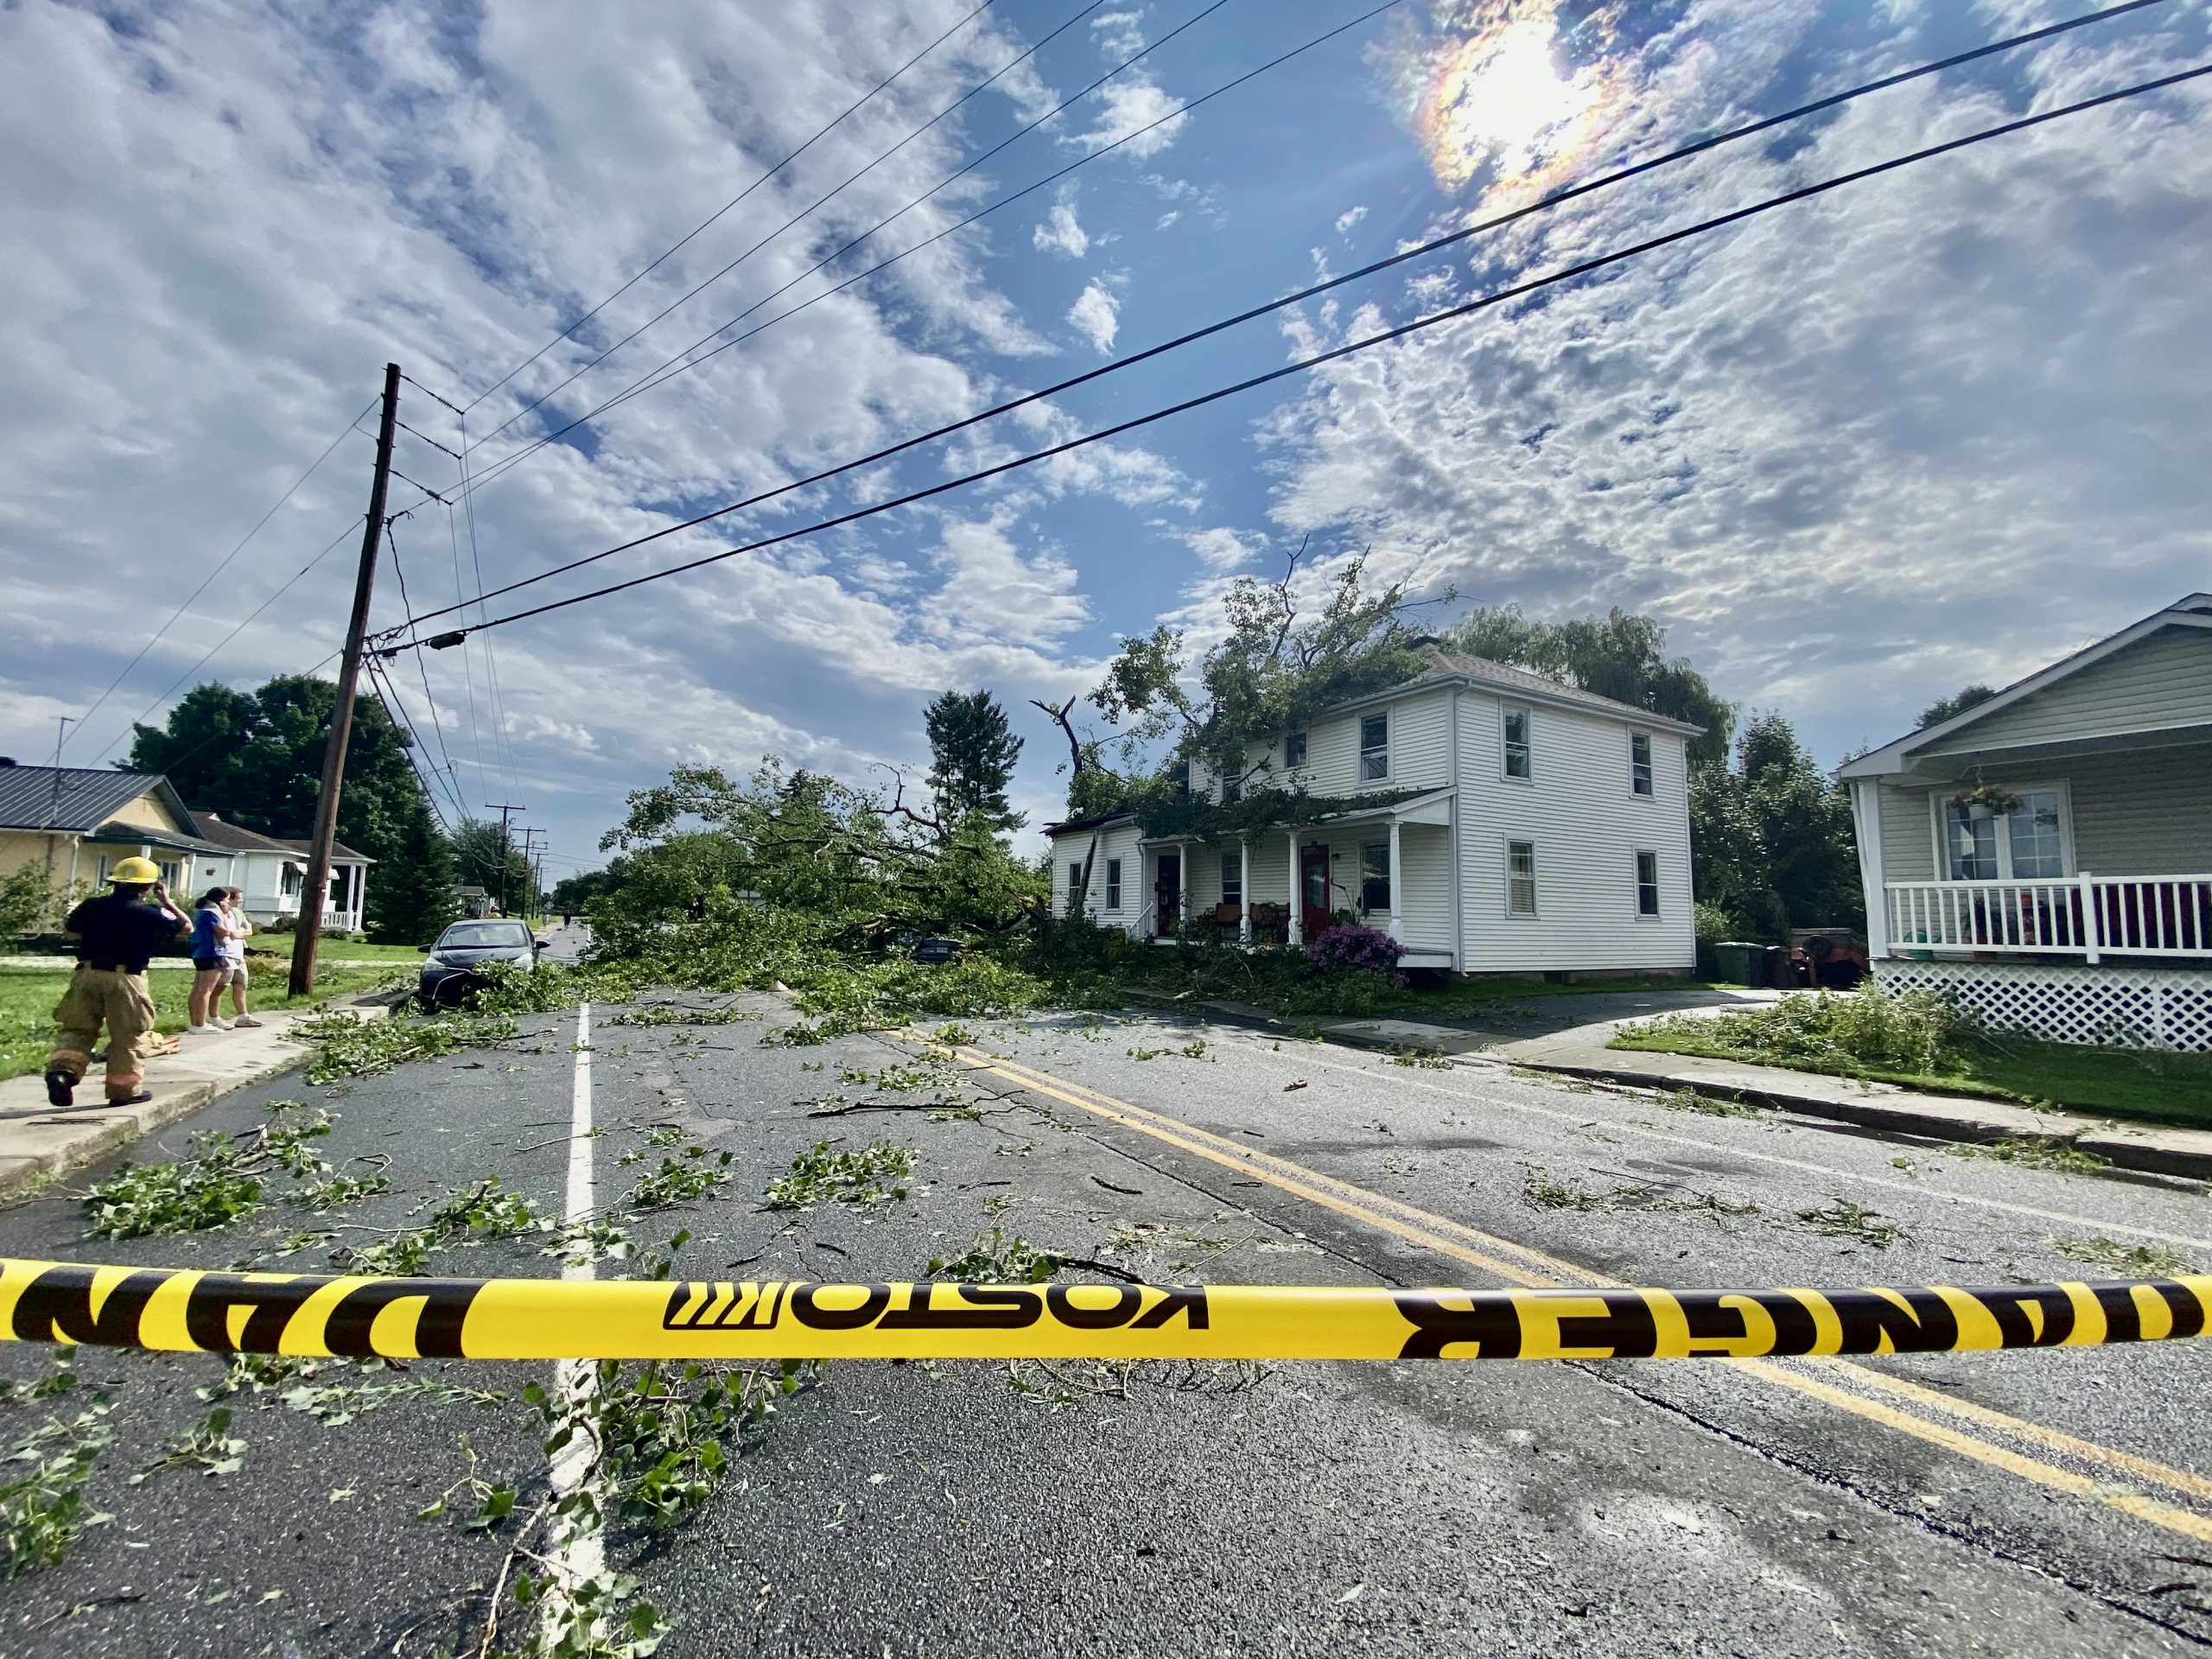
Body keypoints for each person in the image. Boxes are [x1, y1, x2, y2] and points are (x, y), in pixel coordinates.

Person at [44, 857, 188, 1109]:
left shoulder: (92, 906)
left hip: (87, 974)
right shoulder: (149, 912)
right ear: (147, 887)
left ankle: (62, 1072)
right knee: (128, 1036)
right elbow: (187, 928)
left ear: (115, 882)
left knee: (77, 1029)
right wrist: (167, 902)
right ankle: (123, 1091)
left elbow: (71, 929)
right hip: (127, 979)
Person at [186, 888, 233, 1034]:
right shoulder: (212, 912)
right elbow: (224, 931)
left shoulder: (201, 911)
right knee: (205, 990)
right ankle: (199, 1024)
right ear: (220, 900)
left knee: (198, 989)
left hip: (200, 952)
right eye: (226, 900)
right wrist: (225, 914)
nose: (227, 903)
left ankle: (195, 1022)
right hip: (212, 952)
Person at [219, 888, 262, 1027]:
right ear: (229, 899)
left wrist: (240, 932)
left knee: (241, 984)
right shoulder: (218, 913)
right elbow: (225, 933)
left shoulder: (238, 913)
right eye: (238, 898)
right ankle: (215, 1017)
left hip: (238, 954)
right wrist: (236, 933)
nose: (241, 901)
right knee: (220, 987)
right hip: (226, 954)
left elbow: (249, 929)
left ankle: (243, 1016)